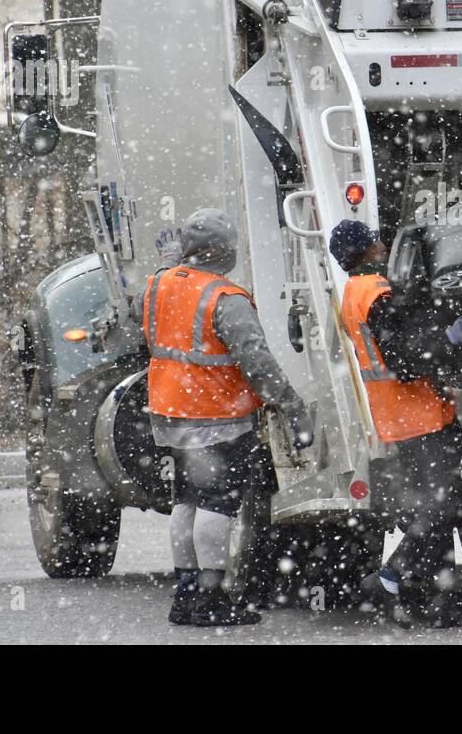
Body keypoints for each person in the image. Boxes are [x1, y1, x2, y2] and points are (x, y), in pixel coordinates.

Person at [141, 208, 313, 627]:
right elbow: (257, 362)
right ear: (224, 251)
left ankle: (185, 595)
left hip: (169, 412)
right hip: (215, 415)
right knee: (216, 505)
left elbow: (146, 328)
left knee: (185, 501)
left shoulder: (158, 284)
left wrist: (170, 262)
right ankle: (210, 596)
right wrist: (290, 406)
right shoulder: (225, 298)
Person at [330, 219, 462, 628]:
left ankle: (436, 602)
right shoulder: (376, 294)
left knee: (431, 510)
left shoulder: (353, 294)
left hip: (397, 416)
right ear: (367, 250)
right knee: (439, 508)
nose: (381, 245)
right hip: (418, 415)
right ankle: (390, 578)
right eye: (375, 241)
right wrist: (448, 340)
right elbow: (407, 361)